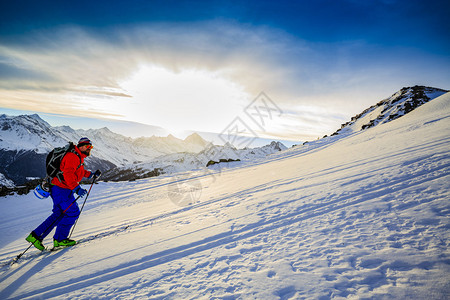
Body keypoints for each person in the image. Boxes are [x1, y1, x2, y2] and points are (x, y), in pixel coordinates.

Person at [26, 137, 101, 250]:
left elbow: (77, 171)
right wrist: (77, 188)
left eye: (91, 147)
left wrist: (90, 174)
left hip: (58, 188)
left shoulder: (77, 156)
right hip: (61, 189)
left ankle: (35, 236)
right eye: (87, 146)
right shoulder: (72, 156)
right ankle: (60, 239)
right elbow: (68, 174)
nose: (89, 148)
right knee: (73, 212)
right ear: (81, 146)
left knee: (59, 214)